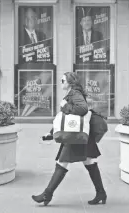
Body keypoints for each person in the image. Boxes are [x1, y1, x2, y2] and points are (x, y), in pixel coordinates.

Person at [32, 72, 107, 206]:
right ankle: (101, 193)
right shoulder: (72, 93)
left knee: (62, 162)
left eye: (63, 80)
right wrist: (51, 133)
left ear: (70, 82)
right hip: (79, 135)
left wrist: (65, 105)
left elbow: (82, 109)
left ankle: (47, 194)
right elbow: (65, 119)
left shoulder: (75, 93)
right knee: (89, 161)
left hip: (76, 137)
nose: (61, 83)